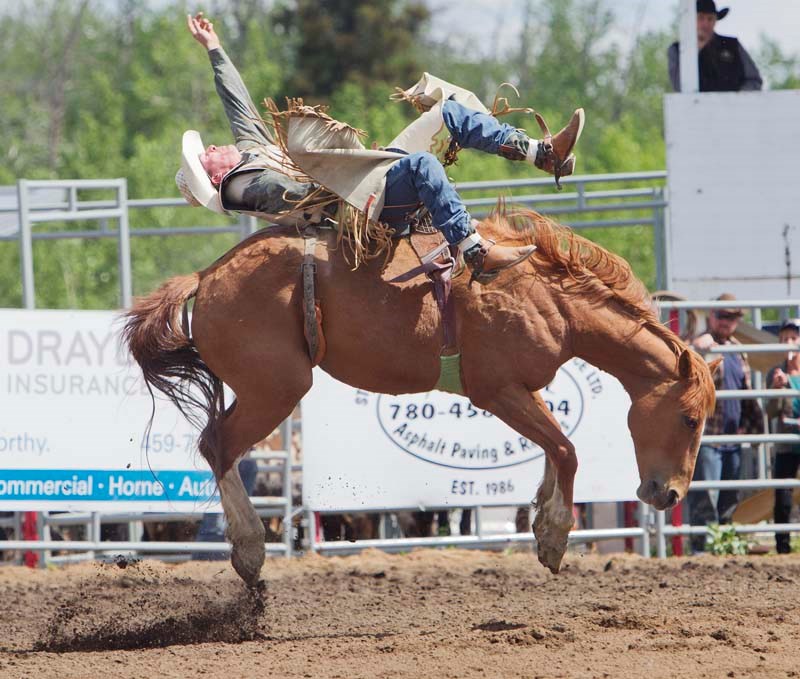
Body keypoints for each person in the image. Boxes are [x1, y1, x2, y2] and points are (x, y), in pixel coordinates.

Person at [179, 12, 585, 281]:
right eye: (206, 152)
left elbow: (237, 101)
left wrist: (213, 47)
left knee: (449, 111)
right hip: (359, 207)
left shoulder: (251, 153)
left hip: (365, 176)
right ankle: (476, 252)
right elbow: (300, 197)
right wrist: (341, 160)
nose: (213, 144)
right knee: (424, 166)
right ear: (212, 175)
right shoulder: (241, 188)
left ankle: (541, 154)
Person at [688, 293, 764, 553]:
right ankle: (703, 548)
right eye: (722, 315)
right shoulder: (703, 345)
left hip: (732, 435)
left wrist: (749, 423)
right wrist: (697, 347)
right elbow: (684, 366)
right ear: (711, 316)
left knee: (729, 496)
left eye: (732, 317)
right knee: (706, 496)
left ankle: (723, 546)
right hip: (709, 435)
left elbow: (746, 392)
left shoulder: (736, 348)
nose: (726, 321)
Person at [667, 0, 762, 92]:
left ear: (715, 20)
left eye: (710, 18)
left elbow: (754, 80)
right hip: (696, 107)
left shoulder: (732, 45)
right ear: (691, 19)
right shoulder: (677, 50)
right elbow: (678, 86)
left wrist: (737, 99)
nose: (706, 24)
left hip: (734, 106)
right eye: (701, 18)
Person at [766, 318, 800, 554]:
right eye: (785, 338)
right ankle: (783, 548)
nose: (789, 342)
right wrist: (777, 390)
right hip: (787, 441)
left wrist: (792, 382)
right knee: (783, 495)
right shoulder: (775, 372)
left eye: (794, 338)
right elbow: (770, 411)